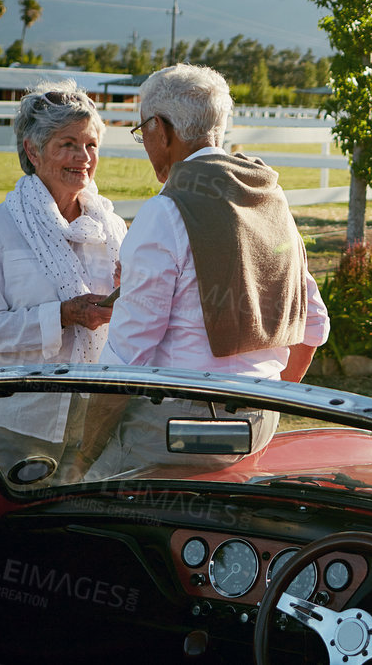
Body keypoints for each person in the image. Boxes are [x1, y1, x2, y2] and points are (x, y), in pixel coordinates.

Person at [76, 64, 329, 477]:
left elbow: (127, 359)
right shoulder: (268, 197)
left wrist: (82, 455)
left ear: (161, 129)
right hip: (261, 420)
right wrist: (268, 399)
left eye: (143, 132)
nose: (146, 143)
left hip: (183, 428)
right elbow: (314, 324)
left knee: (75, 508)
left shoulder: (166, 211)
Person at [0, 82, 124, 481]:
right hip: (17, 417)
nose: (83, 157)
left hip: (95, 415)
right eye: (68, 144)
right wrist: (63, 315)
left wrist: (131, 289)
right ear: (33, 150)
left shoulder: (112, 229)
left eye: (91, 144)